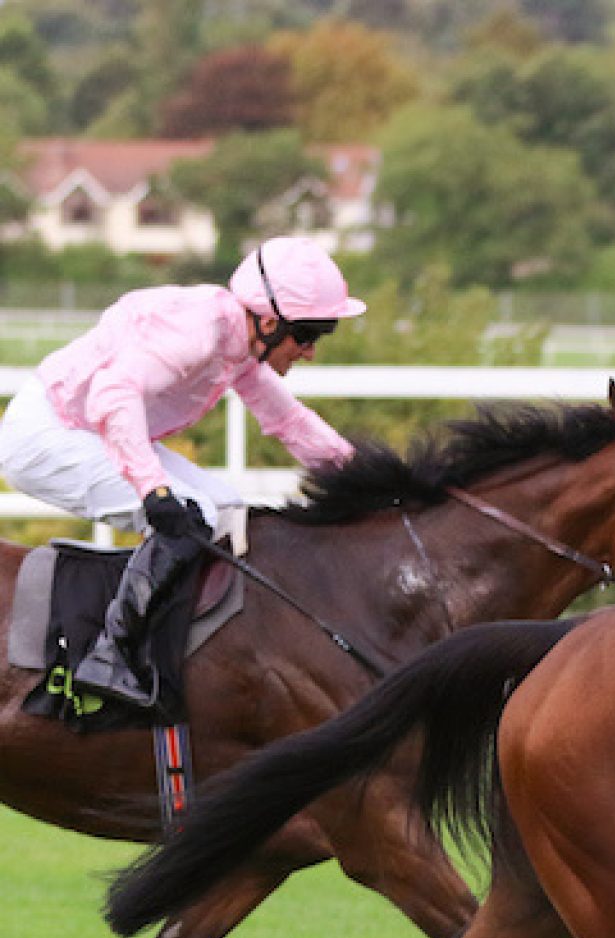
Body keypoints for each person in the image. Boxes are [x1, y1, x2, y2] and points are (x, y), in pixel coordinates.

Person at [0, 235, 366, 706]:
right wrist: (153, 491)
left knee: (228, 510)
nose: (311, 350)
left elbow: (288, 421)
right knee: (192, 516)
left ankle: (188, 649)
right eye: (310, 334)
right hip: (48, 434)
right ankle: (109, 656)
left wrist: (367, 479)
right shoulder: (198, 329)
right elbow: (113, 394)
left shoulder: (239, 343)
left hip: (89, 426)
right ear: (271, 321)